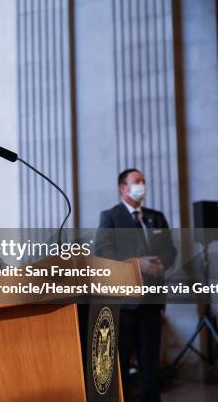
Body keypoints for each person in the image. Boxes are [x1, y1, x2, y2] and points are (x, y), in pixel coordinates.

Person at [96, 169, 176, 402]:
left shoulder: (156, 216)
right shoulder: (110, 216)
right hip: (124, 305)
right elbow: (103, 252)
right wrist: (136, 264)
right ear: (123, 188)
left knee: (150, 364)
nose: (142, 184)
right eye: (137, 181)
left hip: (152, 301)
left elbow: (170, 249)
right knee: (119, 362)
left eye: (143, 181)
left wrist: (162, 263)